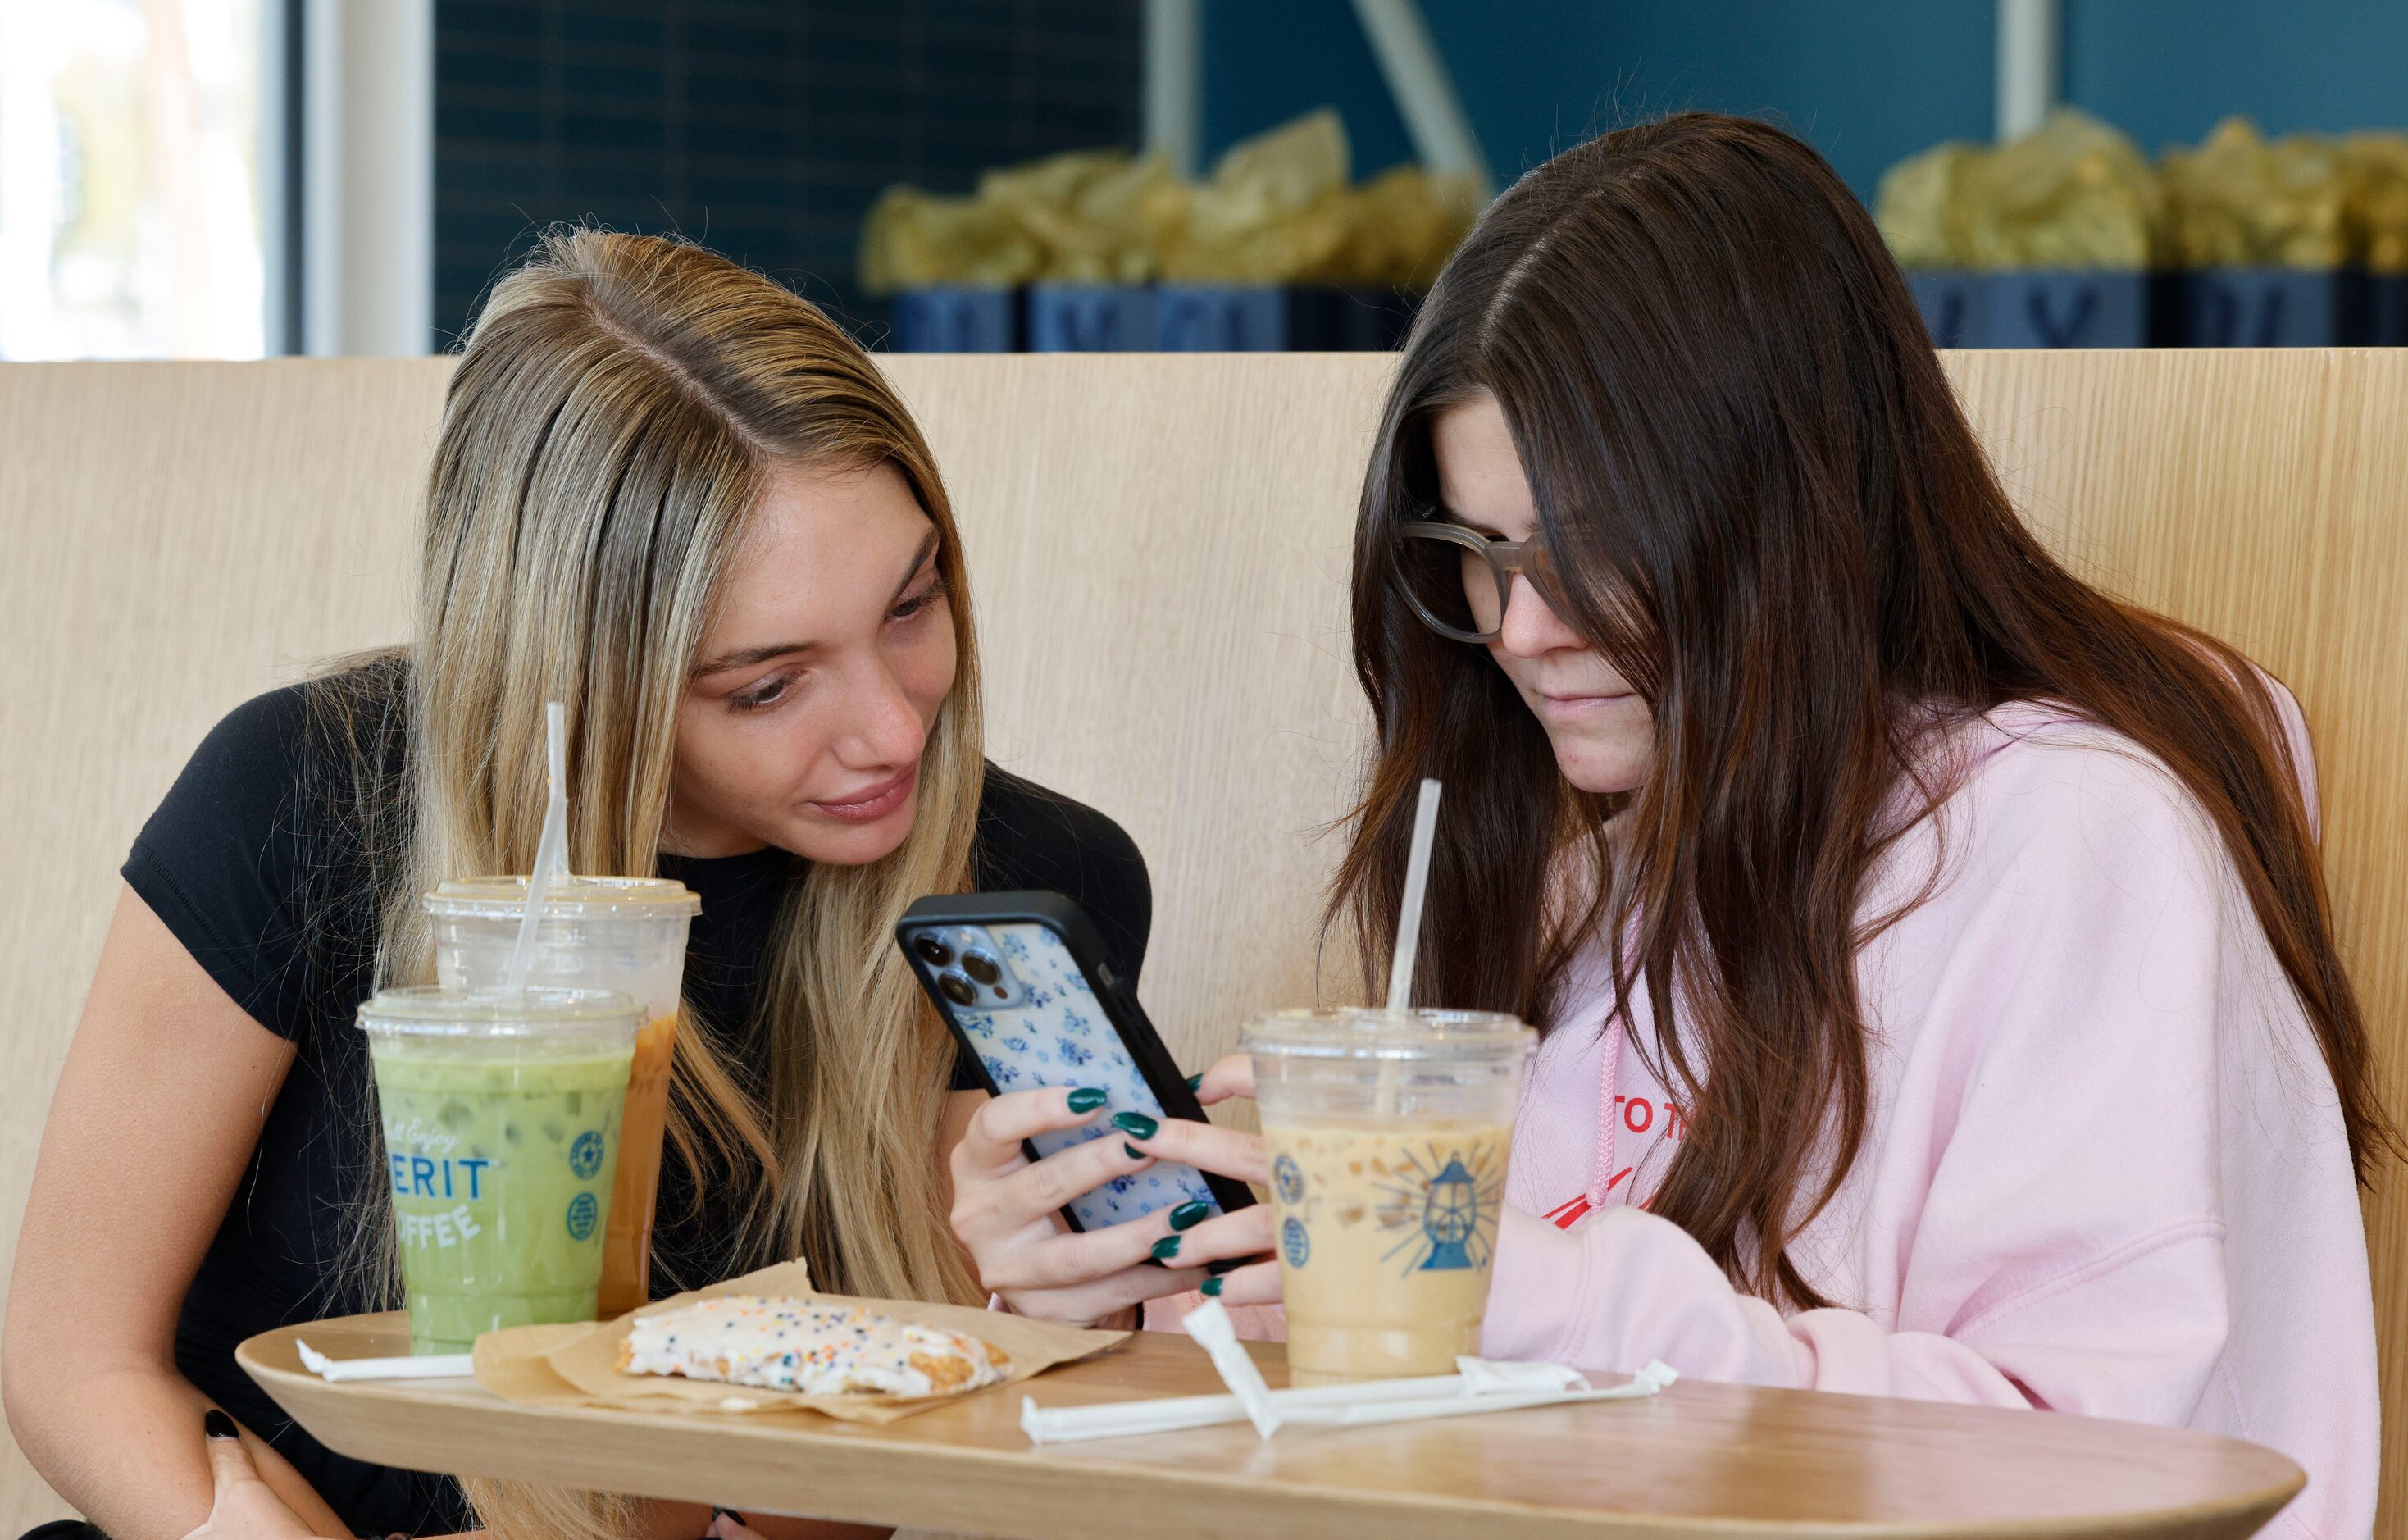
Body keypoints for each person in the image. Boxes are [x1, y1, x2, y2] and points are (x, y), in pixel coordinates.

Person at [946, 115, 2391, 1537]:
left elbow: (2105, 1473)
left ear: (1796, 506)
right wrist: (1145, 1295)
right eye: (1480, 555)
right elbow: (1455, 1435)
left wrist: (1512, 1291)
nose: (1522, 630)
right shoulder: (1595, 858)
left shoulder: (2080, 840)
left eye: (1594, 548)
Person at [4, 229, 1162, 1540]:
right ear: (580, 674)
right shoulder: (295, 793)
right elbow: (73, 1360)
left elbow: (854, 1456)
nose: (893, 731)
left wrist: (1072, 1311)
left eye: (911, 604)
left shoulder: (1025, 888)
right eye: (768, 683)